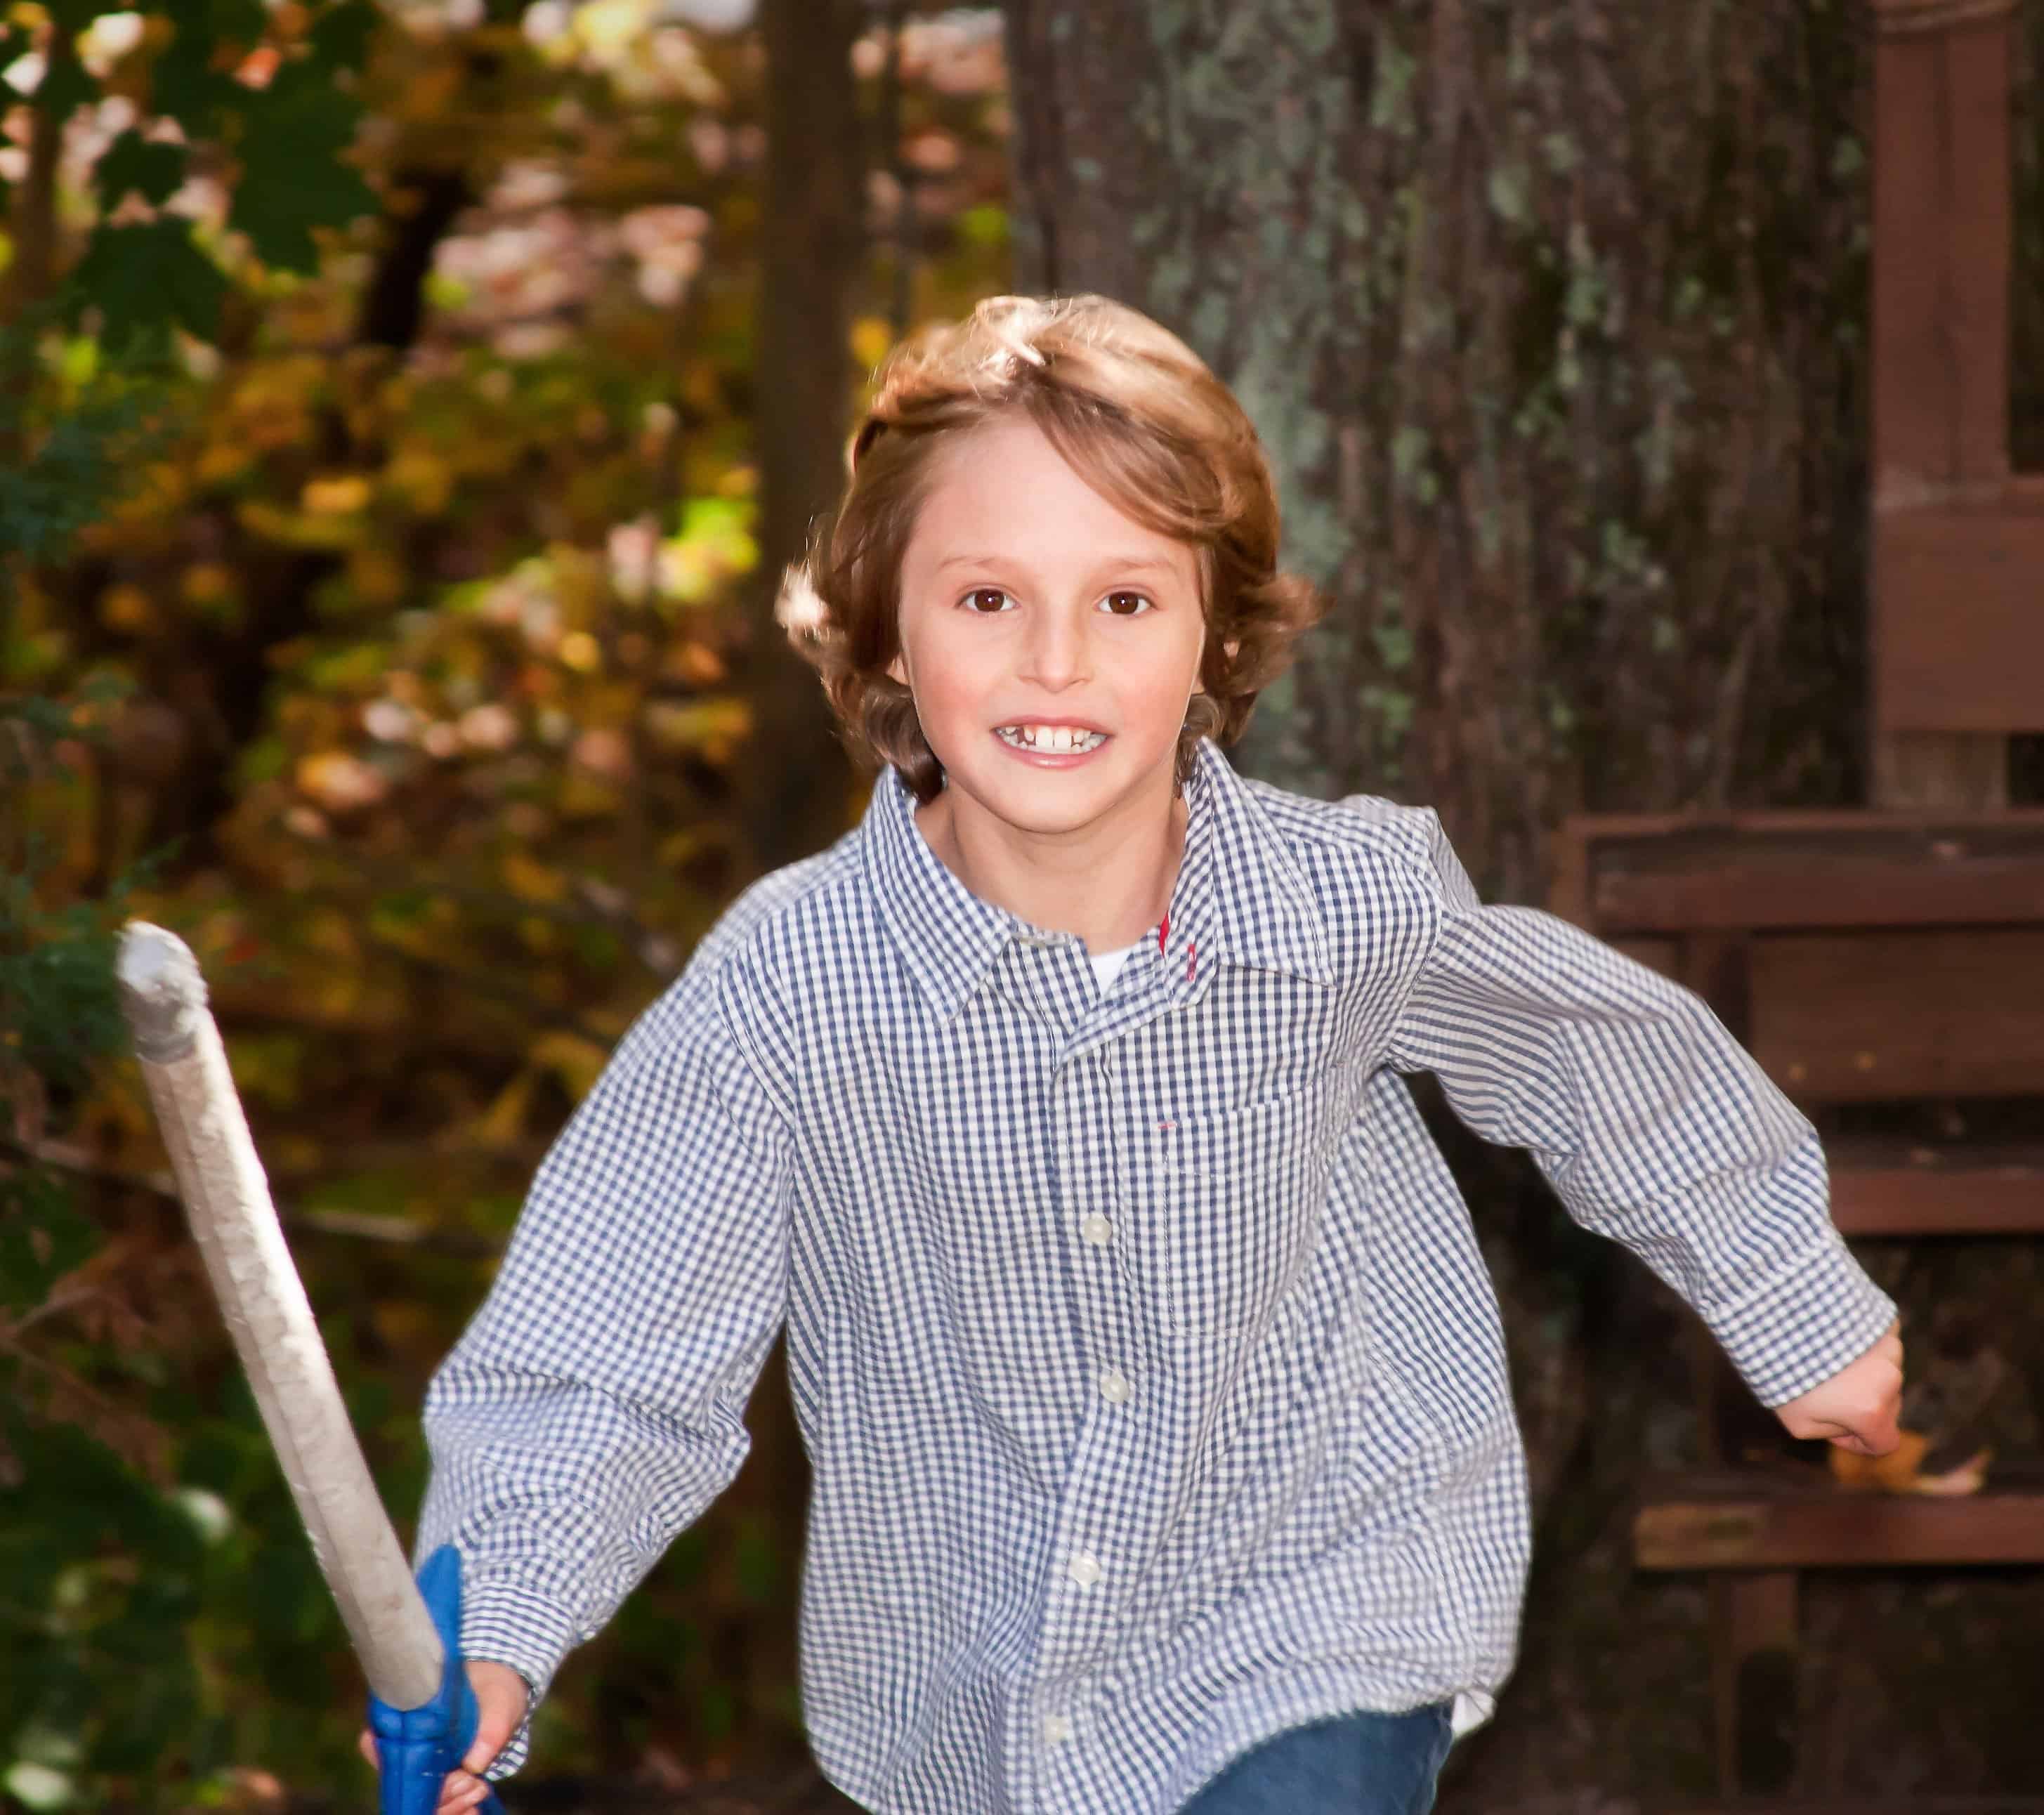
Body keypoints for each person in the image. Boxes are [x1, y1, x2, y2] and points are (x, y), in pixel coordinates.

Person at [367, 294, 1904, 1815]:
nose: (1055, 660)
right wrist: (497, 1621)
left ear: (1215, 628)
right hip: (970, 1691)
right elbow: (612, 1341)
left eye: (1125, 600)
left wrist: (1787, 1289)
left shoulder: (1335, 908)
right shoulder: (792, 987)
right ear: (886, 624)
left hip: (1323, 1597)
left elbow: (1584, 1050)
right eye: (986, 599)